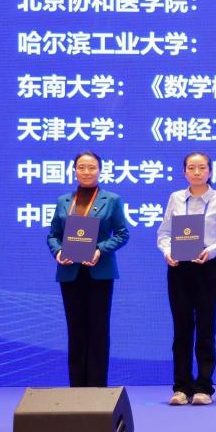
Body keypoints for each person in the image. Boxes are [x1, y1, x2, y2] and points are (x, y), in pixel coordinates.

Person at [156, 152, 216, 406]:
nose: (197, 172)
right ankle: (181, 387)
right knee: (181, 329)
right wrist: (167, 251)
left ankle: (204, 387)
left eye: (202, 168)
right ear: (184, 172)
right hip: (178, 267)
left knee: (205, 328)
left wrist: (210, 251)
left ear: (210, 171)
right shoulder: (175, 198)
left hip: (206, 267)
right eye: (191, 168)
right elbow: (164, 233)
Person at [46, 151, 130, 387]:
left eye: (92, 167)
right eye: (81, 167)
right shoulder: (63, 201)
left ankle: (97, 387)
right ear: (74, 171)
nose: (86, 172)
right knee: (75, 330)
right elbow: (53, 235)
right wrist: (58, 251)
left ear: (100, 170)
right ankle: (76, 387)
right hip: (70, 272)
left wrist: (100, 250)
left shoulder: (111, 200)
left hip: (99, 272)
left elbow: (122, 234)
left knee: (98, 330)